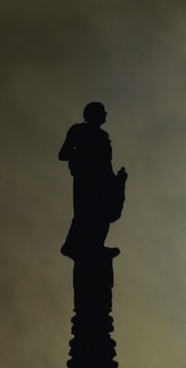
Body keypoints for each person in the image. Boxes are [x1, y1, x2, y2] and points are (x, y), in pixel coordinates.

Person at [59, 102, 127, 259]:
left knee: (103, 215)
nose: (105, 115)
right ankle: (73, 245)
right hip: (87, 179)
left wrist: (116, 180)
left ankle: (96, 246)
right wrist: (85, 158)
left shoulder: (104, 137)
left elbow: (106, 163)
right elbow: (63, 154)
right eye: (102, 112)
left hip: (103, 180)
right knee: (86, 213)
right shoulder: (79, 131)